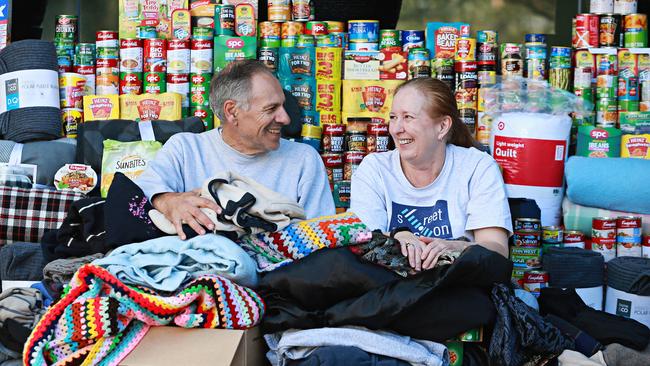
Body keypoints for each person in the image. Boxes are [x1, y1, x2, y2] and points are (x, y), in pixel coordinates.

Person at [136, 60, 335, 239]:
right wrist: (169, 201)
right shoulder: (185, 149)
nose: (285, 119)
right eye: (271, 109)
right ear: (232, 111)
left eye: (282, 106)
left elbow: (321, 238)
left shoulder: (304, 159)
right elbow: (140, 192)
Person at [350, 77, 512, 271]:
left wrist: (457, 247)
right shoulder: (375, 168)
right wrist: (398, 235)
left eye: (408, 117)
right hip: (393, 291)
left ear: (442, 126)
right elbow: (361, 239)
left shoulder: (477, 167)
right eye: (393, 117)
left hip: (457, 288)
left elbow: (497, 249)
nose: (396, 129)